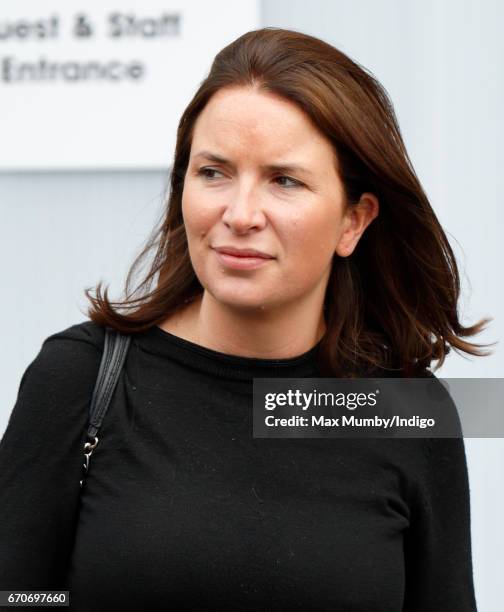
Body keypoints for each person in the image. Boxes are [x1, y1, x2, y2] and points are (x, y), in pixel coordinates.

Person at [0, 27, 493, 611]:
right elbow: (19, 596)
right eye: (213, 172)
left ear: (353, 222)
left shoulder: (408, 411)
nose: (239, 214)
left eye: (284, 180)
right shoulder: (79, 378)